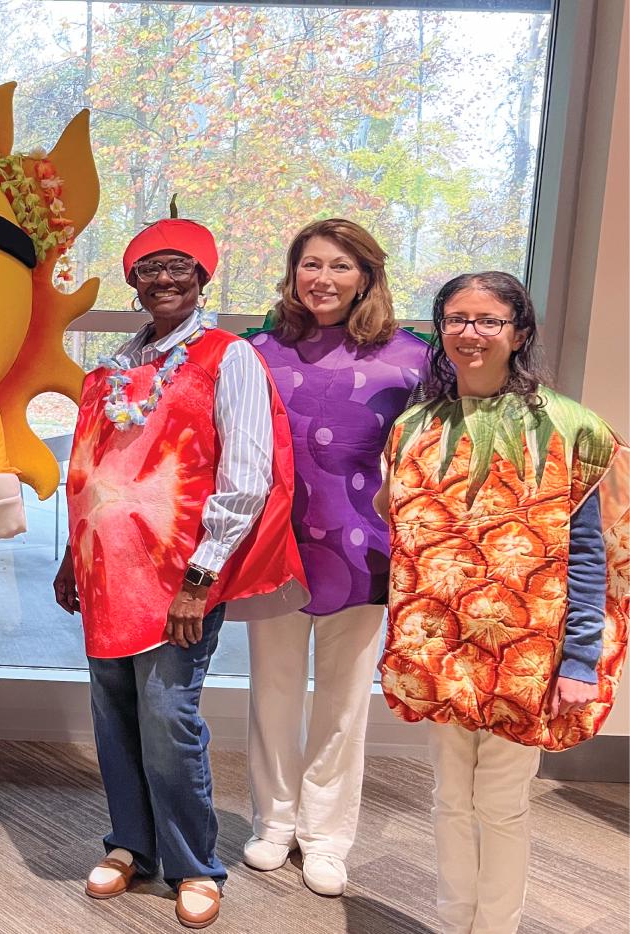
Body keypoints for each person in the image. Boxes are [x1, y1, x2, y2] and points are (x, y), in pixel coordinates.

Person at [54, 214, 305, 929]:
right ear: (133, 280)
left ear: (202, 277)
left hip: (181, 575)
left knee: (169, 716)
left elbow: (248, 475)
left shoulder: (230, 357)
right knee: (114, 712)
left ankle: (195, 863)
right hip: (108, 571)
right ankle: (130, 844)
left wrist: (203, 578)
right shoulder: (109, 370)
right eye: (150, 268)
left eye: (180, 267)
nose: (165, 279)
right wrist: (72, 553)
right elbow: (87, 470)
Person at [376, 271, 627, 934]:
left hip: (529, 656)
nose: (470, 332)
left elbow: (587, 554)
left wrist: (579, 660)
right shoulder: (413, 428)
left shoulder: (569, 427)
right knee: (449, 798)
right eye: (457, 318)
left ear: (519, 332)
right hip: (441, 646)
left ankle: (495, 929)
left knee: (502, 803)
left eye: (489, 319)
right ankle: (454, 921)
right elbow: (409, 546)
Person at [241, 219, 428, 895]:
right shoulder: (258, 350)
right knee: (274, 690)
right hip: (272, 543)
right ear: (293, 274)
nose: (323, 279)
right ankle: (273, 822)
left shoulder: (411, 357)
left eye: (340, 266)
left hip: (364, 546)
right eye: (310, 264)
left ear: (367, 276)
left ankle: (326, 836)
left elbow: (431, 457)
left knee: (344, 702)